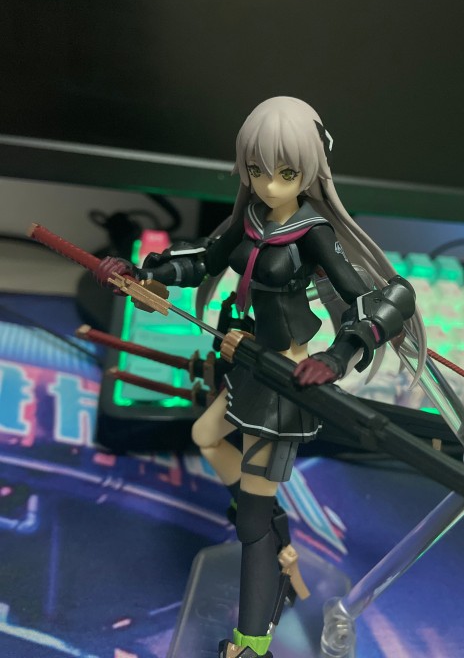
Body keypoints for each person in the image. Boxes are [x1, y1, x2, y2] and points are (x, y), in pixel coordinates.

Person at [98, 96, 425, 657]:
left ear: (310, 171)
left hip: (286, 378)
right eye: (256, 170)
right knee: (205, 436)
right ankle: (271, 527)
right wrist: (144, 273)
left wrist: (339, 355)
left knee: (248, 526)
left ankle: (251, 642)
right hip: (249, 363)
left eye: (286, 173)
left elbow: (378, 298)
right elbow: (204, 259)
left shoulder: (313, 232)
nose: (269, 185)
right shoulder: (249, 219)